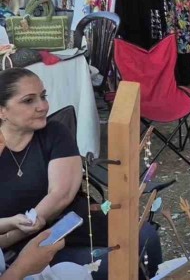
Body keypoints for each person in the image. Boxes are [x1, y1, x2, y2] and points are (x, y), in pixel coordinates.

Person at [0, 68, 162, 279]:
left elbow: (61, 194)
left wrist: (19, 229)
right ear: (2, 111)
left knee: (145, 235)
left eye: (43, 96)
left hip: (72, 222)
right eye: (29, 101)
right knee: (109, 267)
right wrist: (12, 237)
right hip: (26, 248)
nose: (43, 106)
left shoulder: (54, 132)